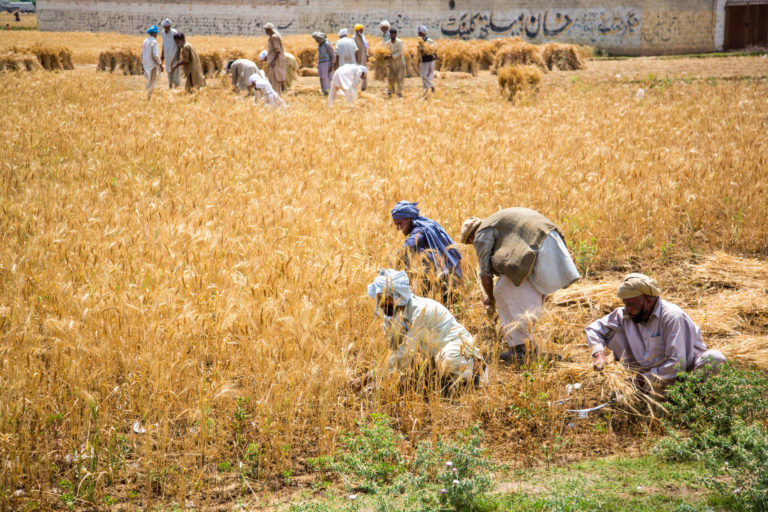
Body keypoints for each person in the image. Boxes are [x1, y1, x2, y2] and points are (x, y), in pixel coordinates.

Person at [460, 208, 579, 363]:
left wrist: (490, 298)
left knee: (502, 291)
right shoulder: (498, 224)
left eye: (470, 242)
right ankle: (526, 345)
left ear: (471, 237)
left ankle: (521, 349)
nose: (473, 245)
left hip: (538, 246)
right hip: (551, 240)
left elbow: (486, 275)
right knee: (519, 290)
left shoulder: (481, 234)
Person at [586, 273, 726, 392]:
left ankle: (691, 399)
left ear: (647, 301)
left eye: (631, 304)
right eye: (625, 304)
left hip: (681, 376)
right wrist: (599, 353)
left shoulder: (672, 317)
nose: (626, 309)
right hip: (644, 377)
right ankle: (644, 392)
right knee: (612, 332)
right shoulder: (626, 313)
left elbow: (677, 363)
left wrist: (643, 380)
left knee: (714, 359)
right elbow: (593, 329)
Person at [354, 269, 486, 391]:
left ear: (396, 297)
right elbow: (393, 350)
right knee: (411, 378)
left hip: (456, 348)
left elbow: (405, 352)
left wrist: (369, 377)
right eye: (379, 297)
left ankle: (476, 372)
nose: (380, 302)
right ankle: (446, 380)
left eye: (384, 298)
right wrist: (380, 378)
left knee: (446, 359)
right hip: (431, 353)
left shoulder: (422, 311)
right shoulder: (391, 315)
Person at [391, 201, 462, 301]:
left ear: (409, 219)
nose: (398, 228)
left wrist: (393, 267)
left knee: (410, 255)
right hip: (449, 276)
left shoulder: (419, 230)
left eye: (400, 224)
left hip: (444, 281)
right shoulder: (426, 224)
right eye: (396, 225)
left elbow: (410, 245)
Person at [141, 25, 163, 100]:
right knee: (152, 81)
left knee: (148, 80)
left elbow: (142, 53)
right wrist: (160, 64)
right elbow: (155, 55)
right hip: (152, 65)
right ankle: (149, 97)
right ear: (154, 34)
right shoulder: (154, 42)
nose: (157, 35)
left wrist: (143, 63)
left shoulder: (145, 41)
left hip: (146, 64)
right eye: (156, 33)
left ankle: (147, 95)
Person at [264, 22, 286, 94]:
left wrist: (273, 61)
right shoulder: (272, 37)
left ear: (270, 30)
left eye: (266, 30)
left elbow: (277, 51)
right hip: (273, 62)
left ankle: (276, 97)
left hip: (275, 63)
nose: (265, 31)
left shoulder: (274, 37)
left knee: (274, 81)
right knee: (273, 81)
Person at [384, 28, 405, 98]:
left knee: (399, 78)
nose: (392, 35)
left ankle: (399, 92)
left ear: (396, 35)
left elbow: (400, 53)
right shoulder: (387, 43)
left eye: (394, 34)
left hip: (399, 64)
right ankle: (391, 91)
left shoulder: (400, 42)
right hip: (391, 64)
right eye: (391, 34)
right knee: (390, 78)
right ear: (390, 35)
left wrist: (392, 56)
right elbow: (385, 52)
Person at [312, 31, 335, 95]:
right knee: (321, 77)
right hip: (321, 63)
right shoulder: (320, 44)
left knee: (326, 78)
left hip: (326, 63)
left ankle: (328, 92)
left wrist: (332, 64)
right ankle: (324, 91)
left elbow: (332, 54)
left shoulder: (326, 44)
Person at [160, 19, 181, 89]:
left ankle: (177, 85)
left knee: (175, 70)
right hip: (167, 55)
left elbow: (178, 43)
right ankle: (170, 84)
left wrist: (178, 54)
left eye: (167, 26)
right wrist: (162, 56)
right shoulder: (163, 33)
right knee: (168, 70)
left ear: (170, 26)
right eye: (165, 27)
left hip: (174, 54)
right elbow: (163, 45)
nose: (166, 28)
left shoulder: (174, 32)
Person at [416, 25, 437, 96]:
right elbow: (419, 51)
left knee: (425, 76)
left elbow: (433, 50)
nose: (419, 35)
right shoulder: (420, 41)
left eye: (420, 33)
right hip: (423, 60)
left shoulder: (429, 41)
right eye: (419, 33)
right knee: (423, 76)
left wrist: (427, 51)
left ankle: (431, 87)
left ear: (424, 33)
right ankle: (427, 90)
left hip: (429, 60)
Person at [353, 24, 369, 91]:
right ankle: (356, 87)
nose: (362, 31)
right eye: (360, 29)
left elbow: (365, 47)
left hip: (363, 57)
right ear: (357, 30)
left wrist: (367, 54)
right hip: (358, 58)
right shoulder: (354, 38)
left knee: (364, 72)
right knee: (357, 72)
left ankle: (363, 87)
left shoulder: (363, 37)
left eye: (362, 29)